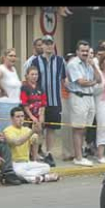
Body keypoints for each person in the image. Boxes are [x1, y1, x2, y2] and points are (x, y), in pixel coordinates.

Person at [28, 35, 67, 167]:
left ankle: (49, 153)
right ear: (42, 45)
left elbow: (63, 80)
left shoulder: (61, 61)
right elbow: (31, 80)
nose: (48, 46)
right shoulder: (35, 61)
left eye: (50, 43)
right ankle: (37, 153)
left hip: (55, 101)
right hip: (39, 101)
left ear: (53, 45)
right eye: (46, 43)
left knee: (52, 128)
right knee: (39, 128)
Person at [66, 40, 102, 167]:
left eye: (87, 51)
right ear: (77, 52)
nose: (85, 53)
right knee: (78, 128)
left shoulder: (89, 64)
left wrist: (93, 66)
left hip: (89, 97)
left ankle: (80, 154)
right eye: (82, 51)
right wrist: (93, 82)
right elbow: (81, 82)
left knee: (85, 128)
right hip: (78, 96)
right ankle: (78, 157)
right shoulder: (73, 64)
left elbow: (99, 79)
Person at [3, 107, 58, 183]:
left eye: (22, 116)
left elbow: (35, 141)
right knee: (18, 172)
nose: (21, 119)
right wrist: (32, 131)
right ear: (12, 118)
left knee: (47, 167)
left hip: (27, 162)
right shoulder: (7, 131)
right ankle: (43, 177)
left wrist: (38, 130)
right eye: (18, 117)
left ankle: (34, 178)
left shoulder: (27, 130)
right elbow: (17, 142)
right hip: (15, 163)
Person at [20, 66, 47, 161]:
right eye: (32, 74)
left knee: (38, 135)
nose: (34, 76)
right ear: (27, 76)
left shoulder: (40, 87)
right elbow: (24, 104)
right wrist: (32, 117)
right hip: (28, 117)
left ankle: (36, 154)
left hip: (38, 116)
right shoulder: (24, 87)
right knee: (28, 136)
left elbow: (43, 102)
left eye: (36, 74)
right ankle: (27, 154)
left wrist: (41, 116)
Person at [0, 48, 22, 132]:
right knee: (5, 131)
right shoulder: (1, 69)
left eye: (15, 56)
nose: (13, 58)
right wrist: (2, 90)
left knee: (13, 131)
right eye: (10, 56)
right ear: (4, 57)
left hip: (15, 104)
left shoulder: (14, 70)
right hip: (4, 105)